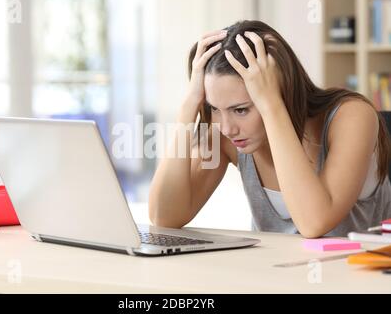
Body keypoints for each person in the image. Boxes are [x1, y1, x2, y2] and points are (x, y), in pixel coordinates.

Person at [148, 20, 391, 238]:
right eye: (214, 108)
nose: (227, 128)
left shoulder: (352, 116)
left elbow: (314, 223)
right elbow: (164, 216)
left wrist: (271, 104)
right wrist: (189, 106)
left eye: (241, 109)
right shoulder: (225, 133)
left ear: (278, 90)